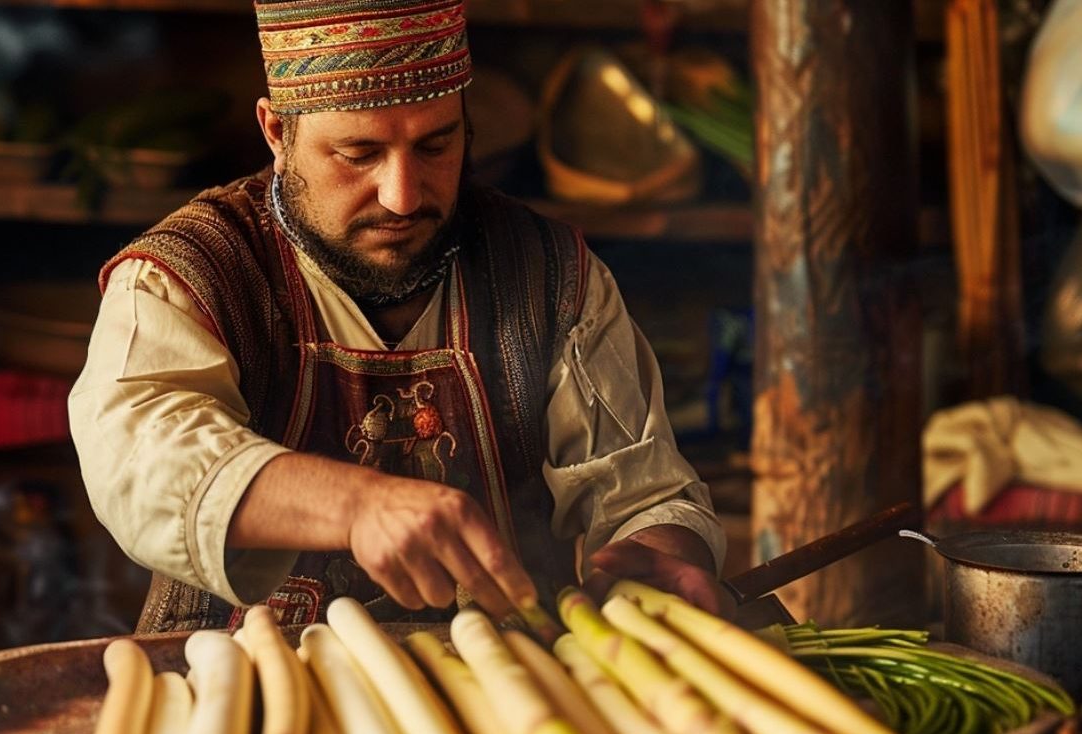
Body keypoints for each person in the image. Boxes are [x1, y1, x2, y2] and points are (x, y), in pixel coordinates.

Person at [68, 0, 726, 632]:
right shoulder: (192, 275)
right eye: (359, 154)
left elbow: (643, 491)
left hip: (510, 705)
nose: (403, 196)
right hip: (243, 701)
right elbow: (139, 449)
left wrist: (660, 550)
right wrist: (357, 504)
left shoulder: (552, 276)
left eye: (436, 147)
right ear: (276, 131)